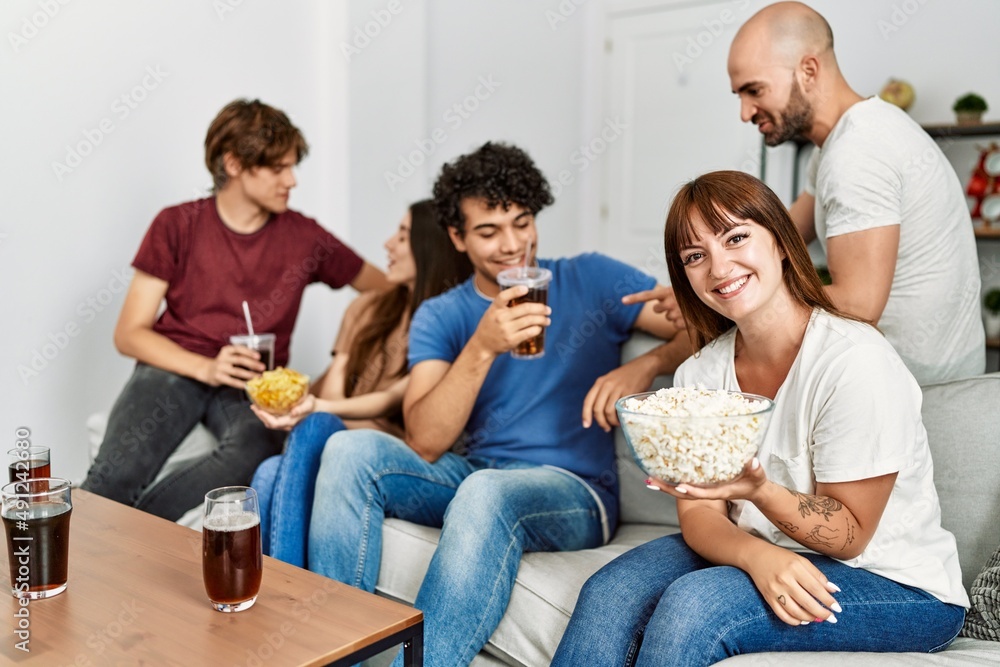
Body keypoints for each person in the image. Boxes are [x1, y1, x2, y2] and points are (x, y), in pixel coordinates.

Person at [550, 170, 968, 666]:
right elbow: (701, 516)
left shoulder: (855, 361)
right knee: (610, 593)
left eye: (736, 237)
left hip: (897, 583)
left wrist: (758, 492)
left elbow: (851, 535)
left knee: (696, 606)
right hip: (765, 546)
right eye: (694, 256)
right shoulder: (699, 373)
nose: (719, 266)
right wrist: (756, 556)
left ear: (783, 243)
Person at [307, 142, 692, 667]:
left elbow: (701, 331)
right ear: (457, 238)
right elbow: (425, 439)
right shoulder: (443, 315)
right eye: (489, 232)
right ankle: (334, 656)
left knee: (485, 491)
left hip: (576, 491)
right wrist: (483, 345)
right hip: (476, 473)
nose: (513, 246)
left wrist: (646, 365)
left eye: (522, 222)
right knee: (349, 450)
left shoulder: (592, 277)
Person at [82, 99, 388, 520]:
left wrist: (347, 351)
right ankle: (68, 556)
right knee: (115, 476)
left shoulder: (305, 237)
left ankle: (137, 533)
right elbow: (129, 333)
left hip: (253, 384)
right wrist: (206, 367)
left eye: (292, 166)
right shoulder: (176, 225)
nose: (292, 180)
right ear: (234, 164)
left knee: (255, 446)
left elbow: (385, 291)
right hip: (175, 370)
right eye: (278, 168)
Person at [248, 200, 472, 567]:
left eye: (402, 236)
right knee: (268, 470)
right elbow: (333, 386)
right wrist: (331, 369)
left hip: (382, 449)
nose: (388, 244)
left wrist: (320, 409)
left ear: (430, 247)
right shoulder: (370, 308)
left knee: (317, 426)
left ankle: (281, 590)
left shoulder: (446, 323)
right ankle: (267, 592)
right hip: (332, 431)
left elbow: (387, 400)